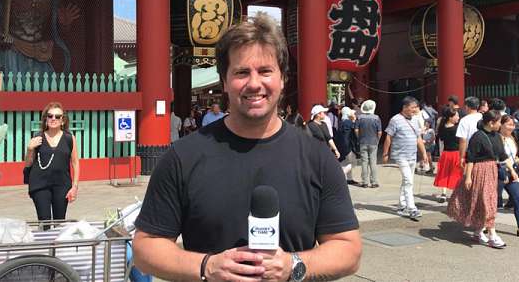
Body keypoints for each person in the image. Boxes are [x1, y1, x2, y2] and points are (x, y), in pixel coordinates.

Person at [133, 15, 361, 282]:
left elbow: (349, 249)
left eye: (265, 71)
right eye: (242, 72)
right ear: (224, 81)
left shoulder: (317, 158)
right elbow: (145, 247)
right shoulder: (182, 157)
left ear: (283, 79)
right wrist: (207, 266)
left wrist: (293, 265)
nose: (254, 84)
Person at [447, 110, 508, 249]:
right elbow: (471, 158)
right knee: (487, 202)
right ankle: (492, 235)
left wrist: (513, 170)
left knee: (486, 200)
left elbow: (503, 155)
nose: (500, 124)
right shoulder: (477, 137)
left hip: (492, 170)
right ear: (491, 123)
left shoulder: (497, 136)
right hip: (479, 171)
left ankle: (478, 231)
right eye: (498, 122)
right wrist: (468, 177)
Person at [24, 102, 79, 223]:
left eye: (57, 116)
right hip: (40, 185)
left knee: (60, 221)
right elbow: (28, 164)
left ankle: (57, 242)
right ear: (45, 119)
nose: (53, 119)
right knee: (45, 221)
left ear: (63, 120)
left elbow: (75, 163)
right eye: (50, 116)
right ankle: (45, 241)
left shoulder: (69, 138)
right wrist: (29, 149)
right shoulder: (37, 137)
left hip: (62, 185)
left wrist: (74, 187)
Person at [382, 96, 428, 221]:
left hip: (412, 155)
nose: (415, 110)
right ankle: (412, 208)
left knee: (407, 180)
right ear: (405, 107)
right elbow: (388, 137)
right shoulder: (395, 120)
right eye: (412, 107)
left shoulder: (415, 120)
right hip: (400, 155)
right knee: (408, 180)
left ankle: (401, 205)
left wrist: (423, 154)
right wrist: (385, 154)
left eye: (416, 107)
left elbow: (418, 138)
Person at [308, 104, 350, 174]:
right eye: (323, 112)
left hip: (325, 150)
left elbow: (329, 138)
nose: (325, 114)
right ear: (318, 114)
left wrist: (335, 149)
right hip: (315, 152)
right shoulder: (310, 125)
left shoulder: (324, 124)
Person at [434, 106, 461, 203]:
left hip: (446, 154)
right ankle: (455, 194)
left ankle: (444, 194)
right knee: (457, 174)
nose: (458, 117)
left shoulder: (442, 127)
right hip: (456, 154)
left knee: (445, 174)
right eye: (456, 116)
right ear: (450, 117)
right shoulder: (456, 129)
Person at [356, 99, 382, 188]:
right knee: (373, 162)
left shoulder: (359, 117)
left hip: (363, 141)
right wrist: (378, 140)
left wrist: (358, 137)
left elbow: (356, 130)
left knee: (364, 162)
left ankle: (365, 182)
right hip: (373, 141)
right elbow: (379, 132)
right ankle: (374, 181)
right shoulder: (376, 118)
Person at [456, 96, 482, 169]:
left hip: (470, 153)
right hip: (483, 152)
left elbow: (463, 140)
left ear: (467, 106)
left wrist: (461, 157)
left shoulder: (464, 120)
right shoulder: (483, 117)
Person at [335, 106, 358, 180]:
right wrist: (354, 121)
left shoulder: (341, 122)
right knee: (353, 163)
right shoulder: (348, 122)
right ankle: (341, 175)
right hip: (348, 145)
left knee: (347, 162)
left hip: (342, 144)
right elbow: (353, 133)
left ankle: (349, 179)